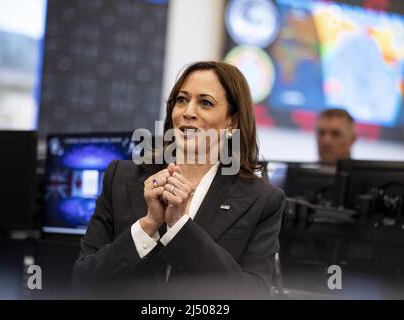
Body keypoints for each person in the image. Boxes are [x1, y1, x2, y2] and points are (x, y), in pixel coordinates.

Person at [72, 61, 285, 299]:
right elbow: (83, 281)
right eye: (181, 100)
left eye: (205, 103)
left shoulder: (262, 200)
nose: (188, 112)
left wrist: (181, 228)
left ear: (232, 121)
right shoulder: (121, 177)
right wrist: (148, 226)